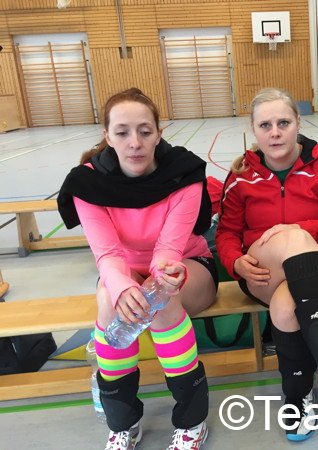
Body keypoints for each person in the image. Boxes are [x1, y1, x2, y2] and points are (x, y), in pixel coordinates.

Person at [57, 88, 217, 450]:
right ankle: (123, 424)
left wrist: (162, 279)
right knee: (109, 300)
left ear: (159, 133)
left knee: (163, 300)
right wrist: (122, 288)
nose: (135, 143)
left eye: (145, 131)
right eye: (122, 132)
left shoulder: (185, 172)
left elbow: (169, 249)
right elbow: (107, 253)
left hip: (185, 265)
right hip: (122, 270)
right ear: (107, 135)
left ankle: (192, 421)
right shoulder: (87, 183)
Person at [216, 88, 318, 442]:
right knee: (290, 240)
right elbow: (226, 232)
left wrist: (302, 230)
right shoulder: (242, 176)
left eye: (283, 123)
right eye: (265, 125)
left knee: (286, 307)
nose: (275, 133)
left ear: (298, 123)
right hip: (262, 270)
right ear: (254, 130)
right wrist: (235, 261)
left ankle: (297, 397)